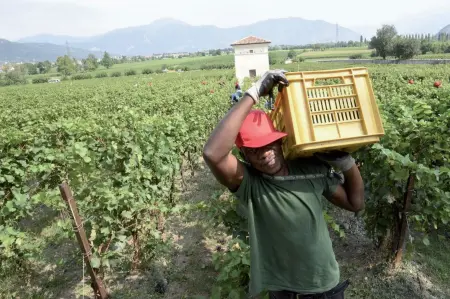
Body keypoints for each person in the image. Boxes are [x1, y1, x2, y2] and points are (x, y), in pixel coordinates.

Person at [203, 70, 365, 299]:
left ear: (280, 142)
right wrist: (254, 92)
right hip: (285, 293)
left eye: (269, 144)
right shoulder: (250, 184)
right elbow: (212, 153)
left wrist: (347, 164)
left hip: (327, 286)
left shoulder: (310, 170)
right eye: (254, 150)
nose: (264, 153)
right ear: (245, 156)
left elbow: (355, 203)